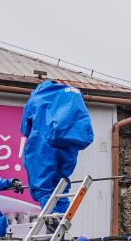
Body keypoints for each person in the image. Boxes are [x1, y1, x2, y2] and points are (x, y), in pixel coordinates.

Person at [20, 79, 95, 216]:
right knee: (61, 186)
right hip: (69, 144)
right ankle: (62, 217)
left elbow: (25, 128)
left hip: (43, 142)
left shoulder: (38, 96)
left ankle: (52, 218)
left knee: (42, 186)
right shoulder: (74, 94)